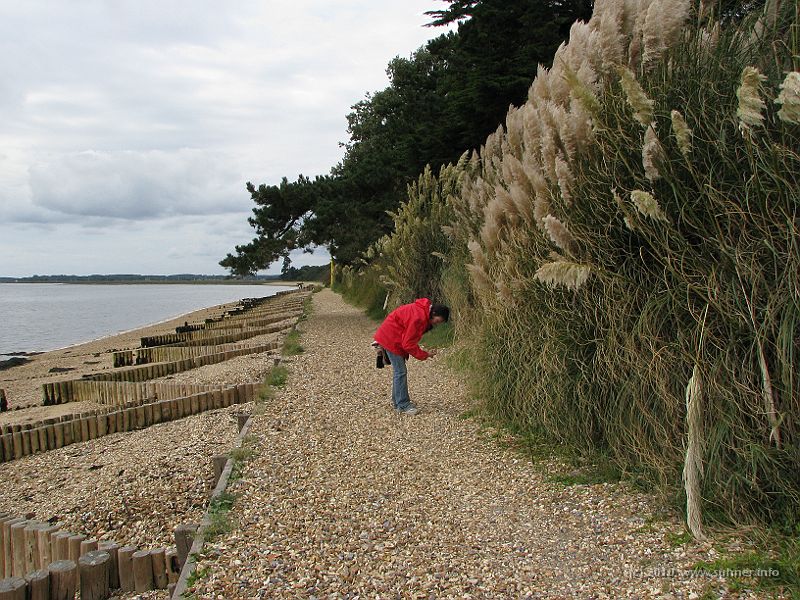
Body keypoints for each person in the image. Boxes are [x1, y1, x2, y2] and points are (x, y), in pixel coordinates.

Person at [373, 298, 450, 414]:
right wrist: (424, 354)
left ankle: (397, 402)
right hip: (390, 339)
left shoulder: (422, 311)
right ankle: (403, 404)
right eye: (438, 320)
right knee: (400, 372)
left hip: (389, 336)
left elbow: (408, 340)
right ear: (434, 313)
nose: (436, 323)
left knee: (399, 372)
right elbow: (408, 344)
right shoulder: (419, 318)